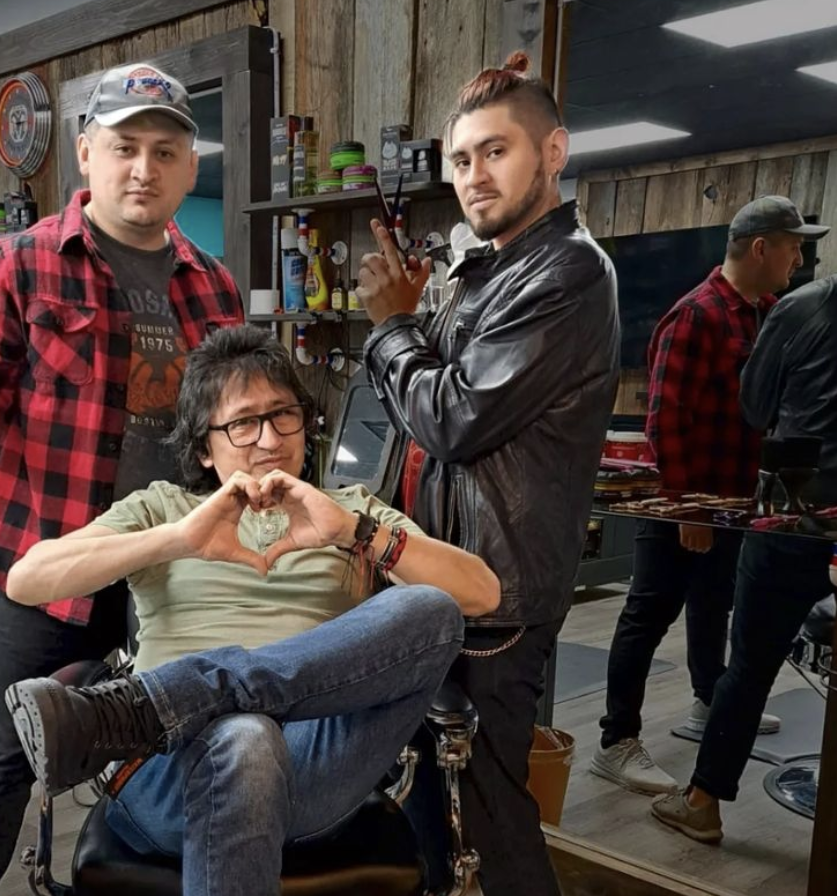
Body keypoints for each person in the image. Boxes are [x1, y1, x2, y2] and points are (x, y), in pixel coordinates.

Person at [2, 325, 500, 895]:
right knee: (246, 739)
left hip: (316, 765)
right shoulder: (164, 509)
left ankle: (163, 701)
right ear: (202, 448)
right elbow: (27, 578)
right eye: (242, 423)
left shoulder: (348, 511)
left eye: (283, 414)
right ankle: (185, 707)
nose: (268, 439)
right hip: (168, 772)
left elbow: (480, 593)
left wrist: (352, 532)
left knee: (431, 610)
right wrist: (178, 540)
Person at [0, 63, 243, 896]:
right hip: (51, 562)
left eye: (166, 150)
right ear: (86, 152)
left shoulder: (215, 286)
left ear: (191, 166)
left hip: (170, 566)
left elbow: (223, 436)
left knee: (183, 743)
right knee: (3, 761)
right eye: (126, 146)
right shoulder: (22, 264)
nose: (145, 168)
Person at [354, 52, 619, 895]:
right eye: (461, 160)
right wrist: (414, 321)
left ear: (553, 152)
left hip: (494, 591)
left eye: (496, 151)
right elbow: (424, 406)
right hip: (446, 574)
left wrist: (394, 325)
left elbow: (455, 418)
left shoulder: (567, 270)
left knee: (490, 808)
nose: (474, 176)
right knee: (438, 794)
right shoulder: (491, 266)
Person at [652, 156, 837, 844]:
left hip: (793, 519)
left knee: (750, 664)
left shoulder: (802, 306)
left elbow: (755, 407)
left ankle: (703, 802)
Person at [591, 195, 826, 794]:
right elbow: (665, 419)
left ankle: (706, 702)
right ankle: (616, 740)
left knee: (713, 604)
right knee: (648, 614)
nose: (799, 257)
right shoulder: (693, 316)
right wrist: (688, 508)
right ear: (760, 247)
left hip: (735, 502)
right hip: (686, 501)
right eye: (793, 245)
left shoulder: (765, 311)